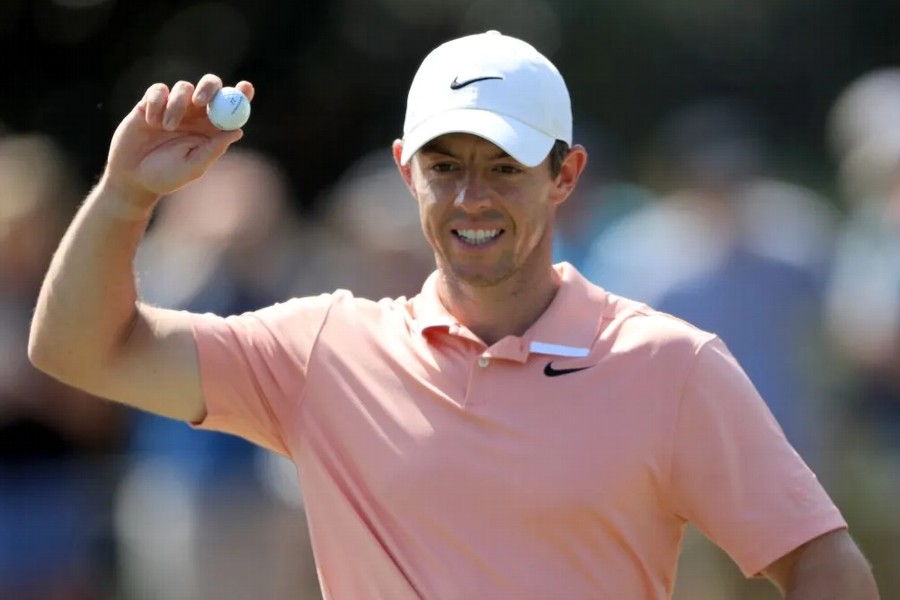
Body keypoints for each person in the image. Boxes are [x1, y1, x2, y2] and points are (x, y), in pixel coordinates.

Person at [28, 30, 878, 599]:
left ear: (565, 176)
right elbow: (78, 351)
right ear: (407, 170)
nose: (472, 197)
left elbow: (818, 558)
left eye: (505, 167)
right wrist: (125, 194)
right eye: (446, 165)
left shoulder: (670, 364)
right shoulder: (323, 350)